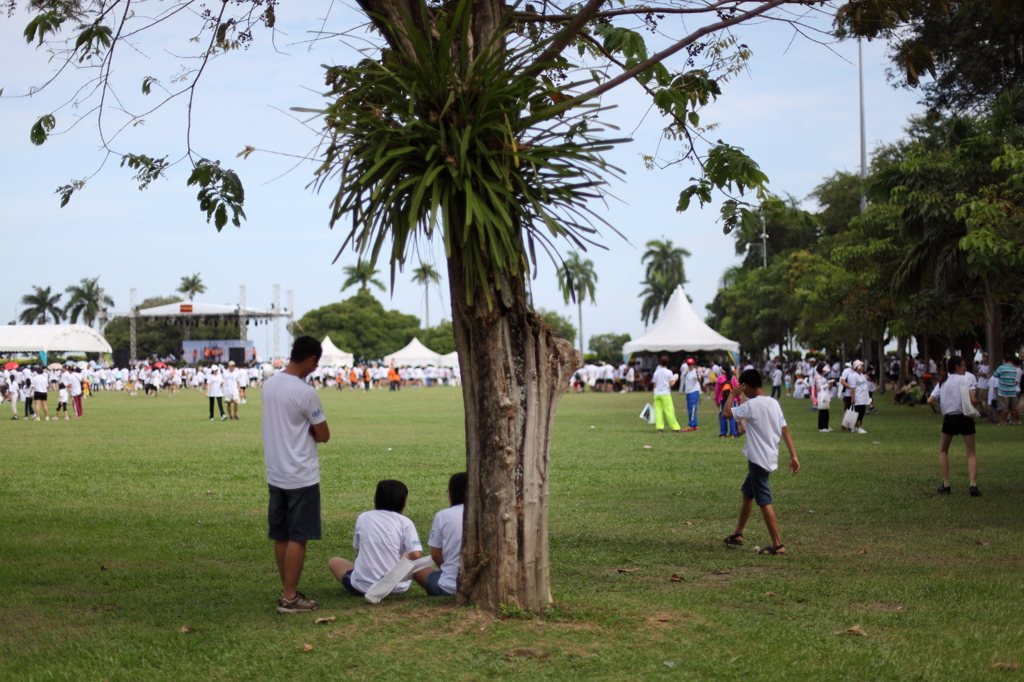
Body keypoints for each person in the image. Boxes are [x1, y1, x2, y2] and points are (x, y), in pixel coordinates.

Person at [263, 336, 330, 613]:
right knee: (298, 536)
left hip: (276, 471)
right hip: (301, 474)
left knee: (282, 534)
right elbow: (324, 434)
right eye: (316, 363)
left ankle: (286, 590)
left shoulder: (269, 384)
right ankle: (290, 597)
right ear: (311, 359)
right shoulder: (305, 393)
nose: (315, 368)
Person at [722, 369, 800, 555]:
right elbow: (785, 430)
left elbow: (726, 413)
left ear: (745, 386)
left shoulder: (751, 405)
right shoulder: (773, 402)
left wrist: (732, 395)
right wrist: (793, 456)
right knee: (748, 493)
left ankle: (777, 544)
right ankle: (738, 533)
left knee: (764, 500)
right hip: (770, 455)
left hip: (758, 459)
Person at [328, 479, 423, 597]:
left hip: (363, 587)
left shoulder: (364, 517)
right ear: (403, 501)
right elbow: (416, 555)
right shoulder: (405, 522)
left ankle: (365, 577)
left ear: (377, 498)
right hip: (396, 587)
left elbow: (359, 551)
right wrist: (404, 557)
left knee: (335, 561)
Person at [927, 356, 981, 496]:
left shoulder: (943, 381)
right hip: (965, 417)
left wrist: (941, 406)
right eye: (963, 364)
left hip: (949, 418)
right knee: (971, 453)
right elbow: (973, 399)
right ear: (957, 366)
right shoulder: (966, 379)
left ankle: (946, 484)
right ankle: (973, 485)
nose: (965, 367)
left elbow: (930, 400)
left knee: (943, 450)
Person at [413, 472, 467, 597]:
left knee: (414, 567)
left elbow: (436, 555)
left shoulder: (443, 515)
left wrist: (447, 570)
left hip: (450, 587)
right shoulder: (489, 514)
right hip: (484, 585)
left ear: (452, 493)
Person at [651, 356, 681, 433]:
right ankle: (675, 427)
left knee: (658, 411)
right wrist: (675, 379)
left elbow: (654, 385)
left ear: (660, 363)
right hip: (665, 393)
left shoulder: (656, 372)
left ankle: (659, 428)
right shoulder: (669, 372)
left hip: (657, 393)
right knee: (669, 410)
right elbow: (671, 384)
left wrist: (653, 395)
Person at [992, 355, 1020, 426]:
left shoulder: (1001, 368)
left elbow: (995, 375)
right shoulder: (1014, 369)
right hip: (1012, 391)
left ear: (1004, 360)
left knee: (1004, 408)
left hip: (1003, 391)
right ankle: (1014, 421)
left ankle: (1003, 421)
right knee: (1013, 408)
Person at [844, 360, 870, 434]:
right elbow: (852, 388)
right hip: (858, 396)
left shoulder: (861, 375)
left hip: (863, 396)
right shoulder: (854, 376)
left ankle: (856, 426)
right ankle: (858, 427)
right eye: (861, 367)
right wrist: (853, 398)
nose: (862, 368)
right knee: (858, 412)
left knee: (862, 412)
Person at [715, 365, 740, 438]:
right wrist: (739, 400)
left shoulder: (720, 379)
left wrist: (717, 401)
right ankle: (733, 433)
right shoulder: (733, 378)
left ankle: (723, 433)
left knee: (722, 416)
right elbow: (738, 389)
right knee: (732, 416)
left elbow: (717, 391)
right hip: (733, 400)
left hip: (722, 400)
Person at [681, 358, 701, 432]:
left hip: (694, 391)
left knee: (692, 409)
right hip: (688, 392)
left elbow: (699, 380)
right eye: (689, 364)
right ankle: (694, 424)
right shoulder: (687, 372)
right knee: (689, 409)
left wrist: (698, 374)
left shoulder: (695, 372)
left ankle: (692, 425)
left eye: (691, 364)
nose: (690, 366)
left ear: (694, 364)